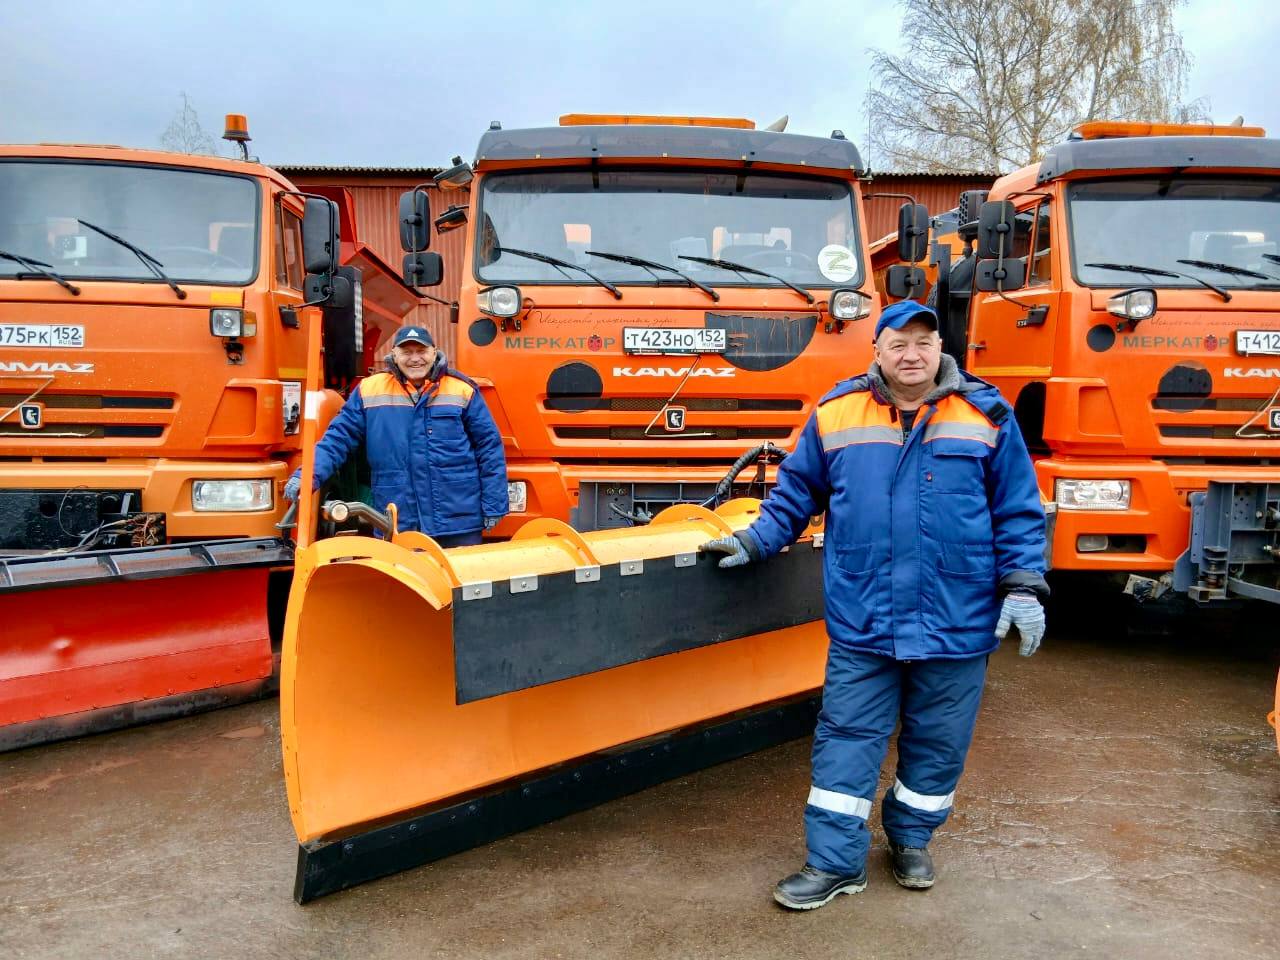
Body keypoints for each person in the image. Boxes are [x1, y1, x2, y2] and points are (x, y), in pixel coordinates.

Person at [700, 300, 1047, 911]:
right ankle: (834, 863)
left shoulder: (987, 412)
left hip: (957, 616)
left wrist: (1023, 585)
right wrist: (755, 540)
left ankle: (911, 839)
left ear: (940, 348)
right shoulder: (836, 412)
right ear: (877, 352)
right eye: (898, 344)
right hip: (867, 615)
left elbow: (1017, 508)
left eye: (923, 342)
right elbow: (795, 493)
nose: (911, 355)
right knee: (846, 736)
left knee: (939, 743)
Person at [284, 326, 508, 547]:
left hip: (457, 521)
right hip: (398, 521)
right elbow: (337, 439)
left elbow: (489, 448)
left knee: (460, 581)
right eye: (407, 352)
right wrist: (306, 477)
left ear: (434, 351)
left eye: (421, 351)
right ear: (393, 355)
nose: (415, 359)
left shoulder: (462, 390)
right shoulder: (369, 390)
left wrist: (494, 504)